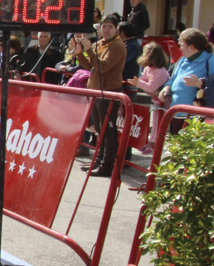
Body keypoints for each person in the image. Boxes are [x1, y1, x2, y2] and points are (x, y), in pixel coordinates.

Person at [73, 14, 126, 177]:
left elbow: (103, 67)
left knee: (108, 130)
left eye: (110, 26)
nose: (106, 29)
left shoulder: (117, 46)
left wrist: (89, 49)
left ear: (116, 29)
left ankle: (107, 164)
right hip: (97, 91)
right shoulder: (101, 44)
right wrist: (80, 53)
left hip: (108, 92)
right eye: (104, 26)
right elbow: (91, 65)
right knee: (99, 129)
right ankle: (99, 159)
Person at [158, 28, 214, 126]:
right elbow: (174, 78)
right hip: (176, 113)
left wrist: (200, 82)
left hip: (196, 117)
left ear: (191, 47)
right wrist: (167, 87)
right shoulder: (183, 60)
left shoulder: (212, 60)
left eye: (182, 45)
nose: (180, 48)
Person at [126, 43, 170, 154]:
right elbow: (144, 81)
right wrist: (140, 83)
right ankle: (150, 142)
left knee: (158, 124)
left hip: (163, 102)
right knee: (154, 122)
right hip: (155, 99)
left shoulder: (160, 71)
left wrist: (139, 84)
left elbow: (151, 87)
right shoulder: (148, 68)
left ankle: (155, 144)